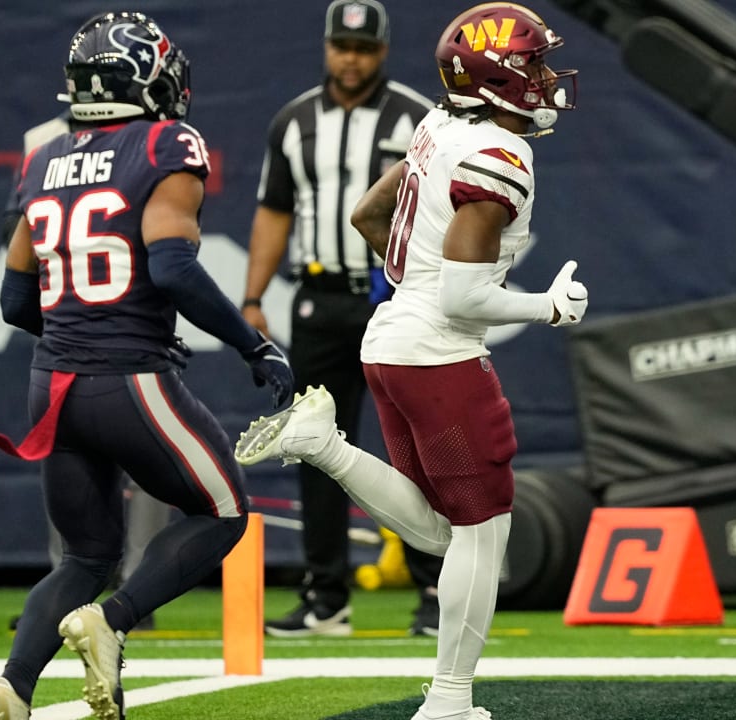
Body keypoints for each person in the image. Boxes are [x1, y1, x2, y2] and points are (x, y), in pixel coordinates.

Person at [236, 4, 585, 719]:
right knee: (485, 534)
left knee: (438, 529)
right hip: (438, 352)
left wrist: (419, 284)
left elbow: (369, 214)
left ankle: (322, 445)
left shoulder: (438, 124)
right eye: (534, 66)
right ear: (497, 80)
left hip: (389, 342)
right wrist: (546, 306)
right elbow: (464, 295)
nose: (547, 79)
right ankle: (450, 700)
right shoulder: (501, 154)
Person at [0, 12, 292, 720]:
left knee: (83, 554)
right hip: (130, 377)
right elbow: (172, 267)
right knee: (225, 510)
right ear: (143, 79)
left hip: (51, 385)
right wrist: (252, 345)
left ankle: (11, 687)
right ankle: (112, 622)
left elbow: (17, 298)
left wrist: (78, 332)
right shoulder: (165, 142)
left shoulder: (44, 157)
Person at [241, 0, 444, 638]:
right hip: (319, 296)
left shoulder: (418, 118)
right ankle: (325, 594)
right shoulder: (294, 120)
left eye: (363, 48)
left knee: (411, 444)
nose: (351, 59)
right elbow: (274, 210)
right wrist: (252, 297)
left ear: (382, 51)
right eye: (341, 46)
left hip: (394, 296)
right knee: (314, 442)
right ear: (327, 47)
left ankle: (436, 590)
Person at [0, 110, 172, 633]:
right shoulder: (158, 141)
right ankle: (112, 594)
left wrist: (51, 328)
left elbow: (16, 279)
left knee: (79, 452)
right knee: (183, 476)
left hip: (69, 336)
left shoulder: (47, 145)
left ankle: (98, 588)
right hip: (123, 329)